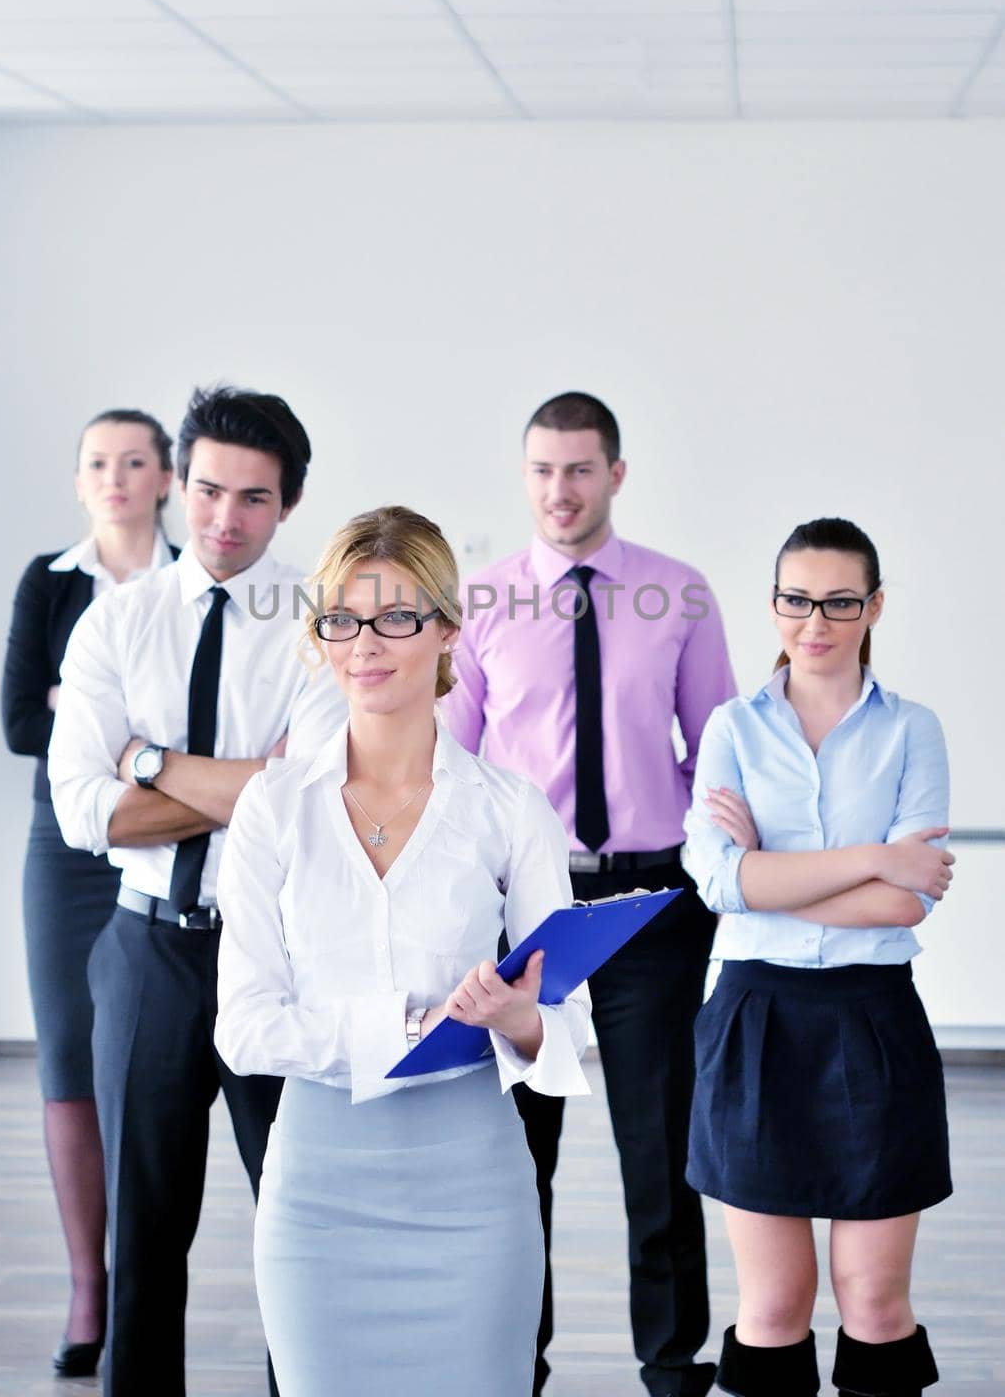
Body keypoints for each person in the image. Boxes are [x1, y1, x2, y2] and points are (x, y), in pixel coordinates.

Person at [214, 506, 592, 1397]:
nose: (365, 644)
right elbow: (244, 1030)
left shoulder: (510, 807)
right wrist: (406, 1025)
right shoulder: (274, 809)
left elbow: (570, 1027)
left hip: (476, 1192)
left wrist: (520, 1020)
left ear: (447, 629)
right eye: (341, 620)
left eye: (395, 617)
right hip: (315, 1195)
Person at [48, 385, 346, 1397]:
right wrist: (239, 780)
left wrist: (148, 759)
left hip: (279, 954)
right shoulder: (114, 625)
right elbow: (85, 814)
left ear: (288, 504)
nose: (224, 519)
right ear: (180, 482)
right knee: (145, 1232)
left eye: (253, 498)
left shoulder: (323, 628)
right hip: (146, 953)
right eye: (210, 489)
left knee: (291, 1228)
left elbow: (307, 802)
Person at [444, 391, 736, 1397]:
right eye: (540, 470)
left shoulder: (680, 594)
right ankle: (511, 1365)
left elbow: (717, 755)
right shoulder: (479, 604)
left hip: (649, 903)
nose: (558, 490)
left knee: (658, 1150)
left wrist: (710, 876)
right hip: (525, 909)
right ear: (522, 476)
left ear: (615, 473)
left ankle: (671, 1365)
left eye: (577, 469)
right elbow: (453, 767)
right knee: (519, 1157)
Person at [682, 516, 952, 1397]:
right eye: (798, 599)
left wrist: (774, 870)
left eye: (841, 601)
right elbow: (721, 885)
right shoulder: (730, 726)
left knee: (874, 1301)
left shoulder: (913, 729)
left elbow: (907, 899)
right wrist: (874, 853)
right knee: (772, 1307)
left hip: (875, 1018)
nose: (817, 620)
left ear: (873, 608)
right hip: (757, 1021)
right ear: (773, 605)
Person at [1, 406, 176, 1378]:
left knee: (148, 1061)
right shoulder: (51, 582)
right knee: (68, 1056)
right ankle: (87, 1288)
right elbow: (23, 717)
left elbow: (202, 717)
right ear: (79, 482)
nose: (115, 476)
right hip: (66, 848)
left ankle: (146, 1276)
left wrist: (95, 711)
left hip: (174, 834)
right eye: (97, 463)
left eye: (134, 461)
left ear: (165, 479)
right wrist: (121, 725)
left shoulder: (193, 584)